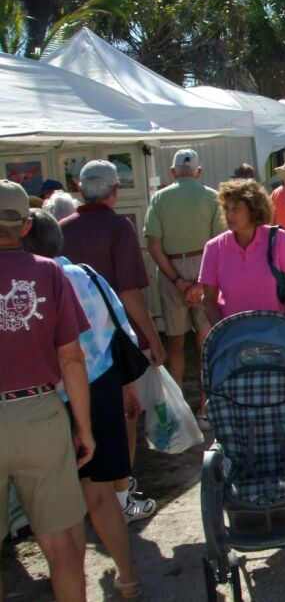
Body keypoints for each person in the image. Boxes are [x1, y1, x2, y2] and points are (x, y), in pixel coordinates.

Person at [23, 209, 141, 599]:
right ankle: (127, 577)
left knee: (60, 507)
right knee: (101, 495)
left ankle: (74, 585)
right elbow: (119, 329)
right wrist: (127, 386)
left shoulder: (29, 281)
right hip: (100, 387)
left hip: (48, 398)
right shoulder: (86, 275)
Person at [0, 180, 94, 602]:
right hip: (39, 412)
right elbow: (72, 358)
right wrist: (84, 429)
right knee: (63, 546)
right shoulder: (49, 271)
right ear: (25, 226)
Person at [61, 160, 163, 523]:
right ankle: (122, 496)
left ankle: (93, 496)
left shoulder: (63, 228)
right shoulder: (119, 227)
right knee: (125, 418)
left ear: (79, 188)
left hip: (70, 341)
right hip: (112, 341)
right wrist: (152, 338)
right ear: (115, 191)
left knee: (81, 419)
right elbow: (129, 292)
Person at [144, 149, 223, 391]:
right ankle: (208, 397)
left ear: (173, 172)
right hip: (204, 266)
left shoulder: (159, 199)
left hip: (170, 269)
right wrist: (200, 283)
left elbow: (153, 245)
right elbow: (220, 243)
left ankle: (178, 397)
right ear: (198, 172)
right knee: (206, 338)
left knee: (175, 342)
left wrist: (178, 280)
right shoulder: (212, 197)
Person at [192, 179, 285, 324]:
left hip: (274, 331)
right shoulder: (214, 247)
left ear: (254, 210)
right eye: (226, 208)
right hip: (234, 333)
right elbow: (209, 300)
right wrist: (223, 331)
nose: (229, 215)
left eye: (236, 209)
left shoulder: (278, 238)